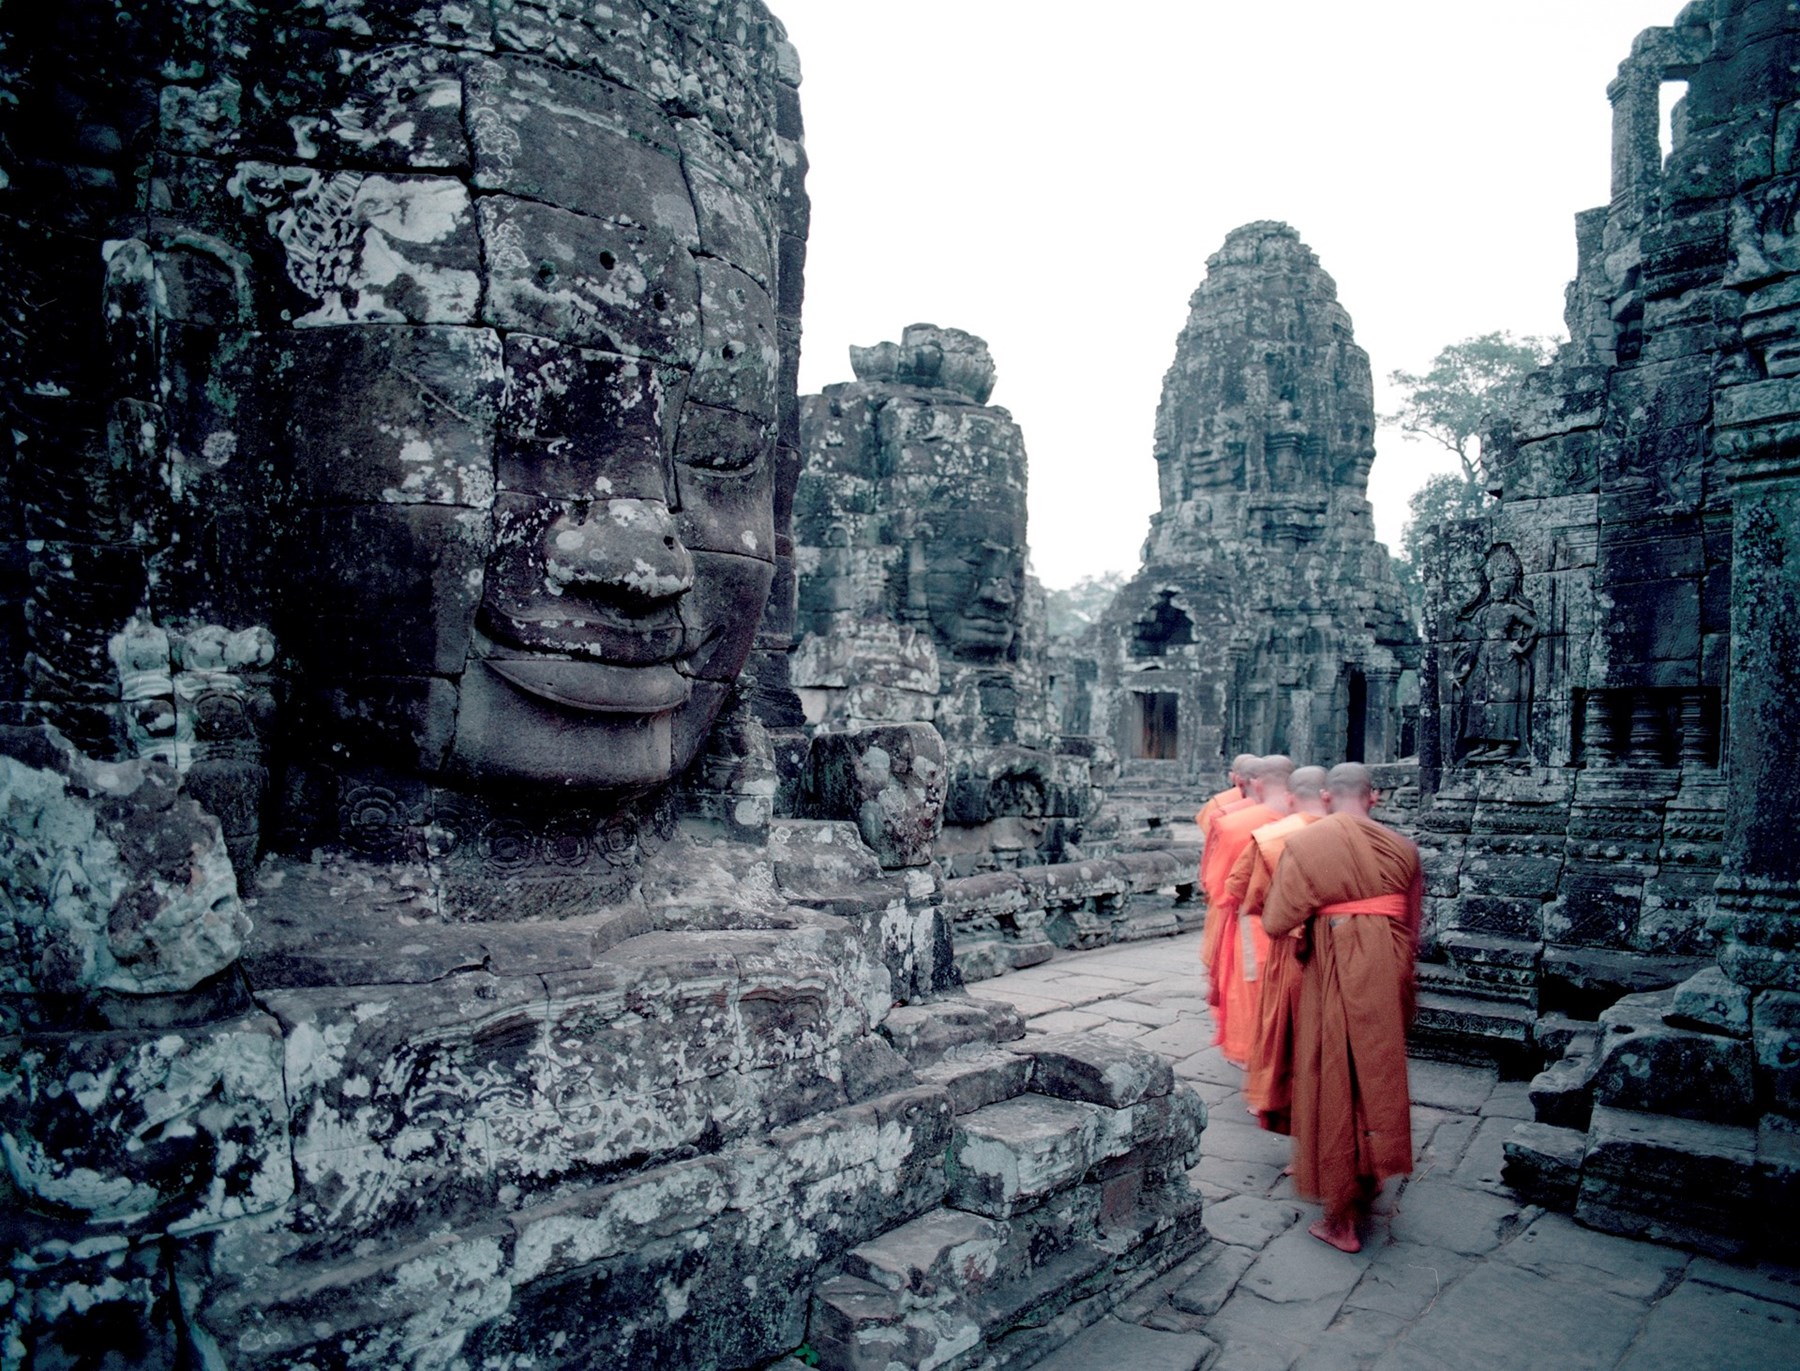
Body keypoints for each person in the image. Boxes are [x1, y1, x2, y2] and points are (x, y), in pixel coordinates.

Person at [1262, 762, 1422, 1253]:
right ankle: (1371, 1170)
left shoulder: (1309, 844)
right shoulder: (1404, 849)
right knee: (1374, 1072)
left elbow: (1277, 919)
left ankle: (1340, 1218)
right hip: (1387, 972)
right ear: (1374, 797)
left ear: (1327, 798)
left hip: (1332, 971)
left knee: (1335, 1076)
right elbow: (1412, 924)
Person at [1237, 765, 1331, 1132]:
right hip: (1348, 951)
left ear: (1290, 796)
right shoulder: (1361, 837)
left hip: (1292, 950)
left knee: (1288, 1034)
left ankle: (1287, 1108)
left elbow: (1245, 893)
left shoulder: (1273, 838)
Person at [1200, 755, 1295, 1061]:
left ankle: (1256, 1058)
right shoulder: (1311, 821)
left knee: (1251, 990)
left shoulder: (1232, 821)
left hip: (1250, 920)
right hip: (1303, 924)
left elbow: (1217, 884)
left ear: (1251, 782)